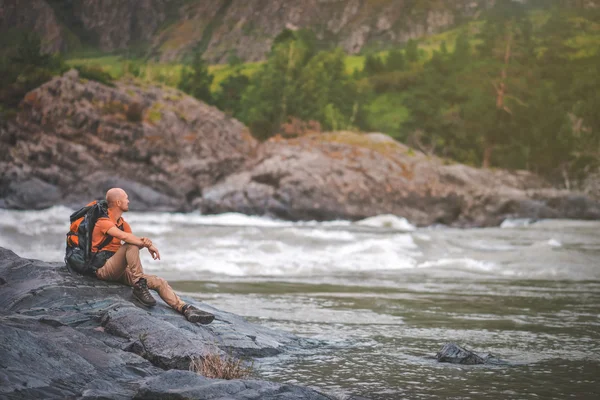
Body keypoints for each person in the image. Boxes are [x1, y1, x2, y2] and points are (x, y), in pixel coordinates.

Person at [91, 187, 214, 324]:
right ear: (118, 202)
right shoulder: (103, 222)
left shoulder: (122, 223)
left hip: (119, 271)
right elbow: (126, 238)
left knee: (159, 282)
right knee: (130, 246)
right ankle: (139, 285)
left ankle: (185, 308)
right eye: (126, 198)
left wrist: (144, 241)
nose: (129, 201)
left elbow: (132, 238)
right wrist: (148, 245)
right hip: (103, 268)